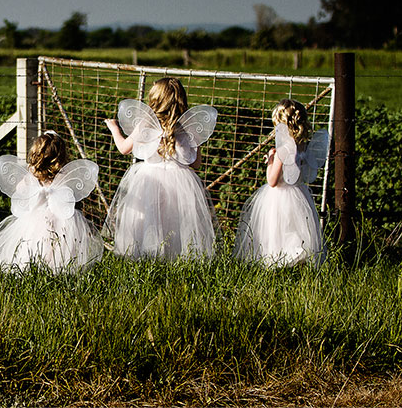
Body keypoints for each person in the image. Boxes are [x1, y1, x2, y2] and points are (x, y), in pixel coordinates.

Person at [103, 77, 217, 260]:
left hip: (149, 180)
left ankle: (146, 256)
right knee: (176, 222)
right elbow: (196, 163)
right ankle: (174, 256)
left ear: (155, 99)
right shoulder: (188, 128)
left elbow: (124, 148)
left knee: (149, 219)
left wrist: (114, 128)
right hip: (180, 183)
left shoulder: (146, 124)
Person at [0, 131, 104, 273]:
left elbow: (20, 189)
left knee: (31, 246)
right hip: (61, 221)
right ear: (61, 156)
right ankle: (58, 270)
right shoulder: (63, 176)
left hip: (34, 219)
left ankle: (28, 269)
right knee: (59, 249)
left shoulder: (32, 175)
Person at [234, 99, 329, 266]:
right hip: (299, 195)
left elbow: (272, 180)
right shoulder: (303, 147)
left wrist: (271, 158)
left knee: (276, 232)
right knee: (295, 230)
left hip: (279, 198)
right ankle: (298, 257)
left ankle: (277, 262)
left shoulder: (282, 151)